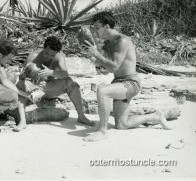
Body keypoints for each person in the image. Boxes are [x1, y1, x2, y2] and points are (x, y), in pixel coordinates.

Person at [83, 12, 171, 142]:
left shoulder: (122, 40)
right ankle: (156, 116)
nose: (94, 31)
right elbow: (106, 69)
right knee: (122, 125)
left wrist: (97, 55)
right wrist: (94, 60)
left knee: (102, 91)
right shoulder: (107, 44)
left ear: (106, 27)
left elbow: (114, 66)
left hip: (131, 83)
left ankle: (102, 131)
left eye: (97, 27)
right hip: (119, 83)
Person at [14, 36, 95, 131]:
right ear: (43, 48)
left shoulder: (60, 56)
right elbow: (22, 77)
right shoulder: (33, 56)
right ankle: (22, 121)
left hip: (50, 87)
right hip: (34, 88)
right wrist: (27, 73)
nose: (48, 57)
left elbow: (65, 74)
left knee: (71, 83)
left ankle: (81, 116)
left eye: (52, 55)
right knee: (20, 83)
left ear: (57, 53)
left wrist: (51, 72)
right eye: (46, 53)